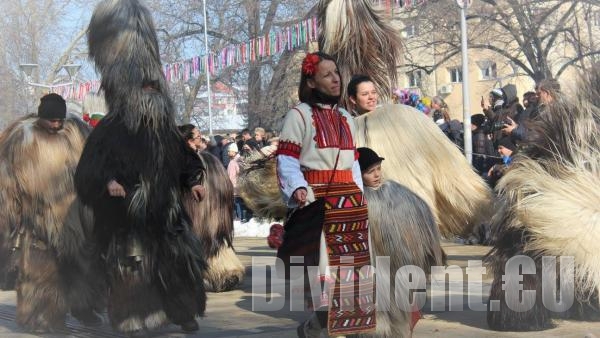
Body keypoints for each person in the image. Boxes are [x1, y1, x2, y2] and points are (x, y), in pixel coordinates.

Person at [75, 0, 207, 334]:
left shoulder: (166, 129)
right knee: (132, 270)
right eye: (145, 87)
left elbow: (185, 159)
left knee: (178, 263)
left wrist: (192, 180)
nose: (153, 92)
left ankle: (182, 313)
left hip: (166, 214)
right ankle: (132, 316)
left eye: (155, 86)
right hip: (127, 217)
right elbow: (88, 172)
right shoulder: (110, 129)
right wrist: (108, 182)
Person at [277, 51, 375, 337]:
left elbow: (353, 163)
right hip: (319, 205)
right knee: (328, 282)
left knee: (355, 281)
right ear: (311, 82)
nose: (335, 79)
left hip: (351, 209)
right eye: (327, 74)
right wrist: (298, 189)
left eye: (336, 72)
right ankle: (315, 327)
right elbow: (287, 159)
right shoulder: (299, 115)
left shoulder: (346, 117)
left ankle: (340, 329)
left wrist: (360, 196)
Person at [0, 93, 104, 332]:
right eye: (51, 121)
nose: (56, 125)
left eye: (60, 120)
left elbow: (96, 163)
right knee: (41, 270)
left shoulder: (78, 133)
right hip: (37, 216)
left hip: (74, 214)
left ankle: (84, 307)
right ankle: (42, 318)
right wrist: (12, 212)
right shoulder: (21, 138)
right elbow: (7, 179)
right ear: (40, 116)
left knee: (82, 265)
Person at [357, 147, 444, 336]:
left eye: (378, 168)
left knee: (400, 306)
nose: (377, 174)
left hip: (400, 265)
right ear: (358, 173)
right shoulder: (356, 201)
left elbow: (424, 223)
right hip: (372, 267)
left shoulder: (398, 193)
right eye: (370, 171)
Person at [179, 125, 245, 292]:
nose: (201, 139)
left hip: (203, 211)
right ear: (188, 141)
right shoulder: (205, 162)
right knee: (213, 237)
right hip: (209, 212)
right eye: (198, 137)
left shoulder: (205, 162)